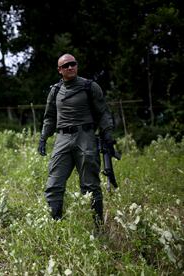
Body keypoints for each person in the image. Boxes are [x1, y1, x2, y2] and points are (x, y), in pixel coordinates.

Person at [38, 53, 115, 226]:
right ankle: (56, 225)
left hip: (85, 137)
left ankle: (98, 227)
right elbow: (49, 117)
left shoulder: (90, 86)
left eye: (73, 64)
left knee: (90, 185)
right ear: (59, 70)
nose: (70, 67)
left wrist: (107, 133)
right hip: (62, 138)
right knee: (54, 184)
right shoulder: (55, 91)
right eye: (65, 66)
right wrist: (43, 137)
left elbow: (103, 112)